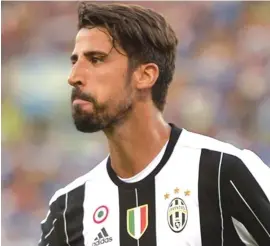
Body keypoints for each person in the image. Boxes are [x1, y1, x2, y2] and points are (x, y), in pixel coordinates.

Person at [39, 2, 270, 246]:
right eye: (74, 61)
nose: (73, 76)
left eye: (96, 59)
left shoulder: (225, 171)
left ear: (145, 75)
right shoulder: (68, 210)